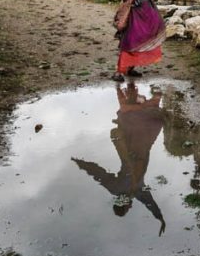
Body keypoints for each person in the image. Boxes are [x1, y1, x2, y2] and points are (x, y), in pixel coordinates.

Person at [71, 82, 166, 235]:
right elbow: (150, 204)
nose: (130, 206)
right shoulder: (138, 193)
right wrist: (159, 217)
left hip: (128, 152)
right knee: (151, 123)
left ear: (125, 205)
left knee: (131, 123)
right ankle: (154, 95)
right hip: (142, 152)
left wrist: (82, 164)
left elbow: (98, 174)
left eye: (128, 208)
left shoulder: (117, 189)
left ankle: (135, 93)